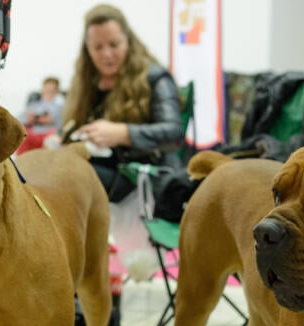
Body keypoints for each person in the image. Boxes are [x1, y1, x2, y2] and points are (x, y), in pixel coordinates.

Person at [60, 3, 184, 203]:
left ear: (128, 40)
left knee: (70, 173)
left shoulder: (155, 78)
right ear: (87, 50)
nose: (107, 54)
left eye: (114, 44)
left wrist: (123, 133)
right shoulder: (87, 84)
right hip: (108, 171)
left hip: (148, 179)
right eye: (98, 47)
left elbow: (174, 133)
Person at [15, 76, 65, 155]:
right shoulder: (34, 105)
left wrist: (50, 119)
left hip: (50, 135)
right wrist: (28, 119)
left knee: (52, 142)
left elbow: (61, 123)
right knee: (23, 137)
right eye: (46, 90)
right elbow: (18, 119)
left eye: (51, 91)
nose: (48, 93)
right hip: (33, 134)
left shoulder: (60, 107)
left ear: (56, 92)